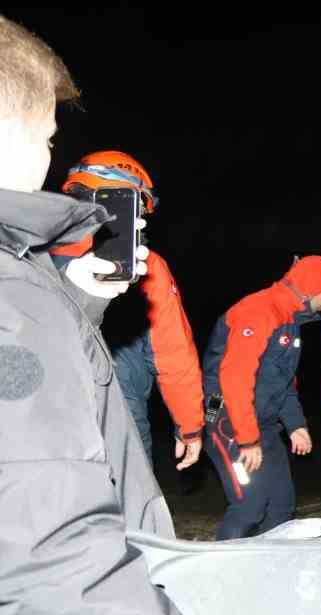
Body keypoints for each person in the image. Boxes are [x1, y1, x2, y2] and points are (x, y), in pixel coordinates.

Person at [0, 13, 252, 615]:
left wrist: (90, 300)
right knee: (105, 497)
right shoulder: (33, 275)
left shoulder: (35, 257)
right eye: (40, 130)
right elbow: (40, 538)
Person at [50, 150, 206, 472]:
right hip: (116, 412)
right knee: (130, 511)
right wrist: (189, 425)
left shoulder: (25, 245)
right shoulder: (145, 265)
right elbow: (173, 352)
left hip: (42, 410)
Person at [201, 254, 321, 540]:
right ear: (312, 289)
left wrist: (296, 425)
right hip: (227, 418)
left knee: (281, 505)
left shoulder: (289, 323)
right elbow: (235, 377)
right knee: (249, 505)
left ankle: (269, 568)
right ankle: (220, 573)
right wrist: (247, 438)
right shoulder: (259, 310)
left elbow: (282, 383)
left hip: (261, 423)